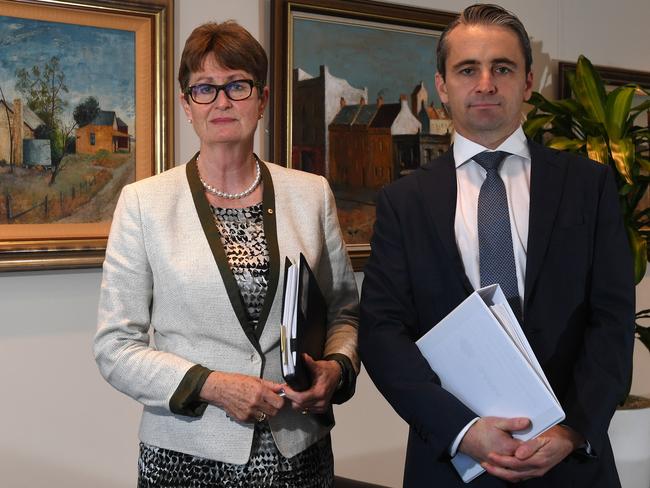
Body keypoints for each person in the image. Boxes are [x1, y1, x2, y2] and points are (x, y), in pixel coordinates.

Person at [359, 4, 634, 487]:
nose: (485, 83)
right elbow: (383, 334)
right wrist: (463, 431)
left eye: (501, 68)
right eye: (468, 69)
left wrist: (573, 430)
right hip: (452, 464)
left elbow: (611, 321)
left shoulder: (588, 185)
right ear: (443, 86)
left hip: (571, 464)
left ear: (527, 81)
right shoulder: (403, 201)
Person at [93, 21, 359, 488]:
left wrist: (336, 370)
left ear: (262, 98)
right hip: (185, 457)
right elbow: (115, 347)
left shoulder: (311, 194)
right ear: (185, 105)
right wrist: (212, 386)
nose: (221, 101)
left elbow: (345, 314)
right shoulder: (144, 203)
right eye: (204, 88)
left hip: (299, 453)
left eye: (237, 85)